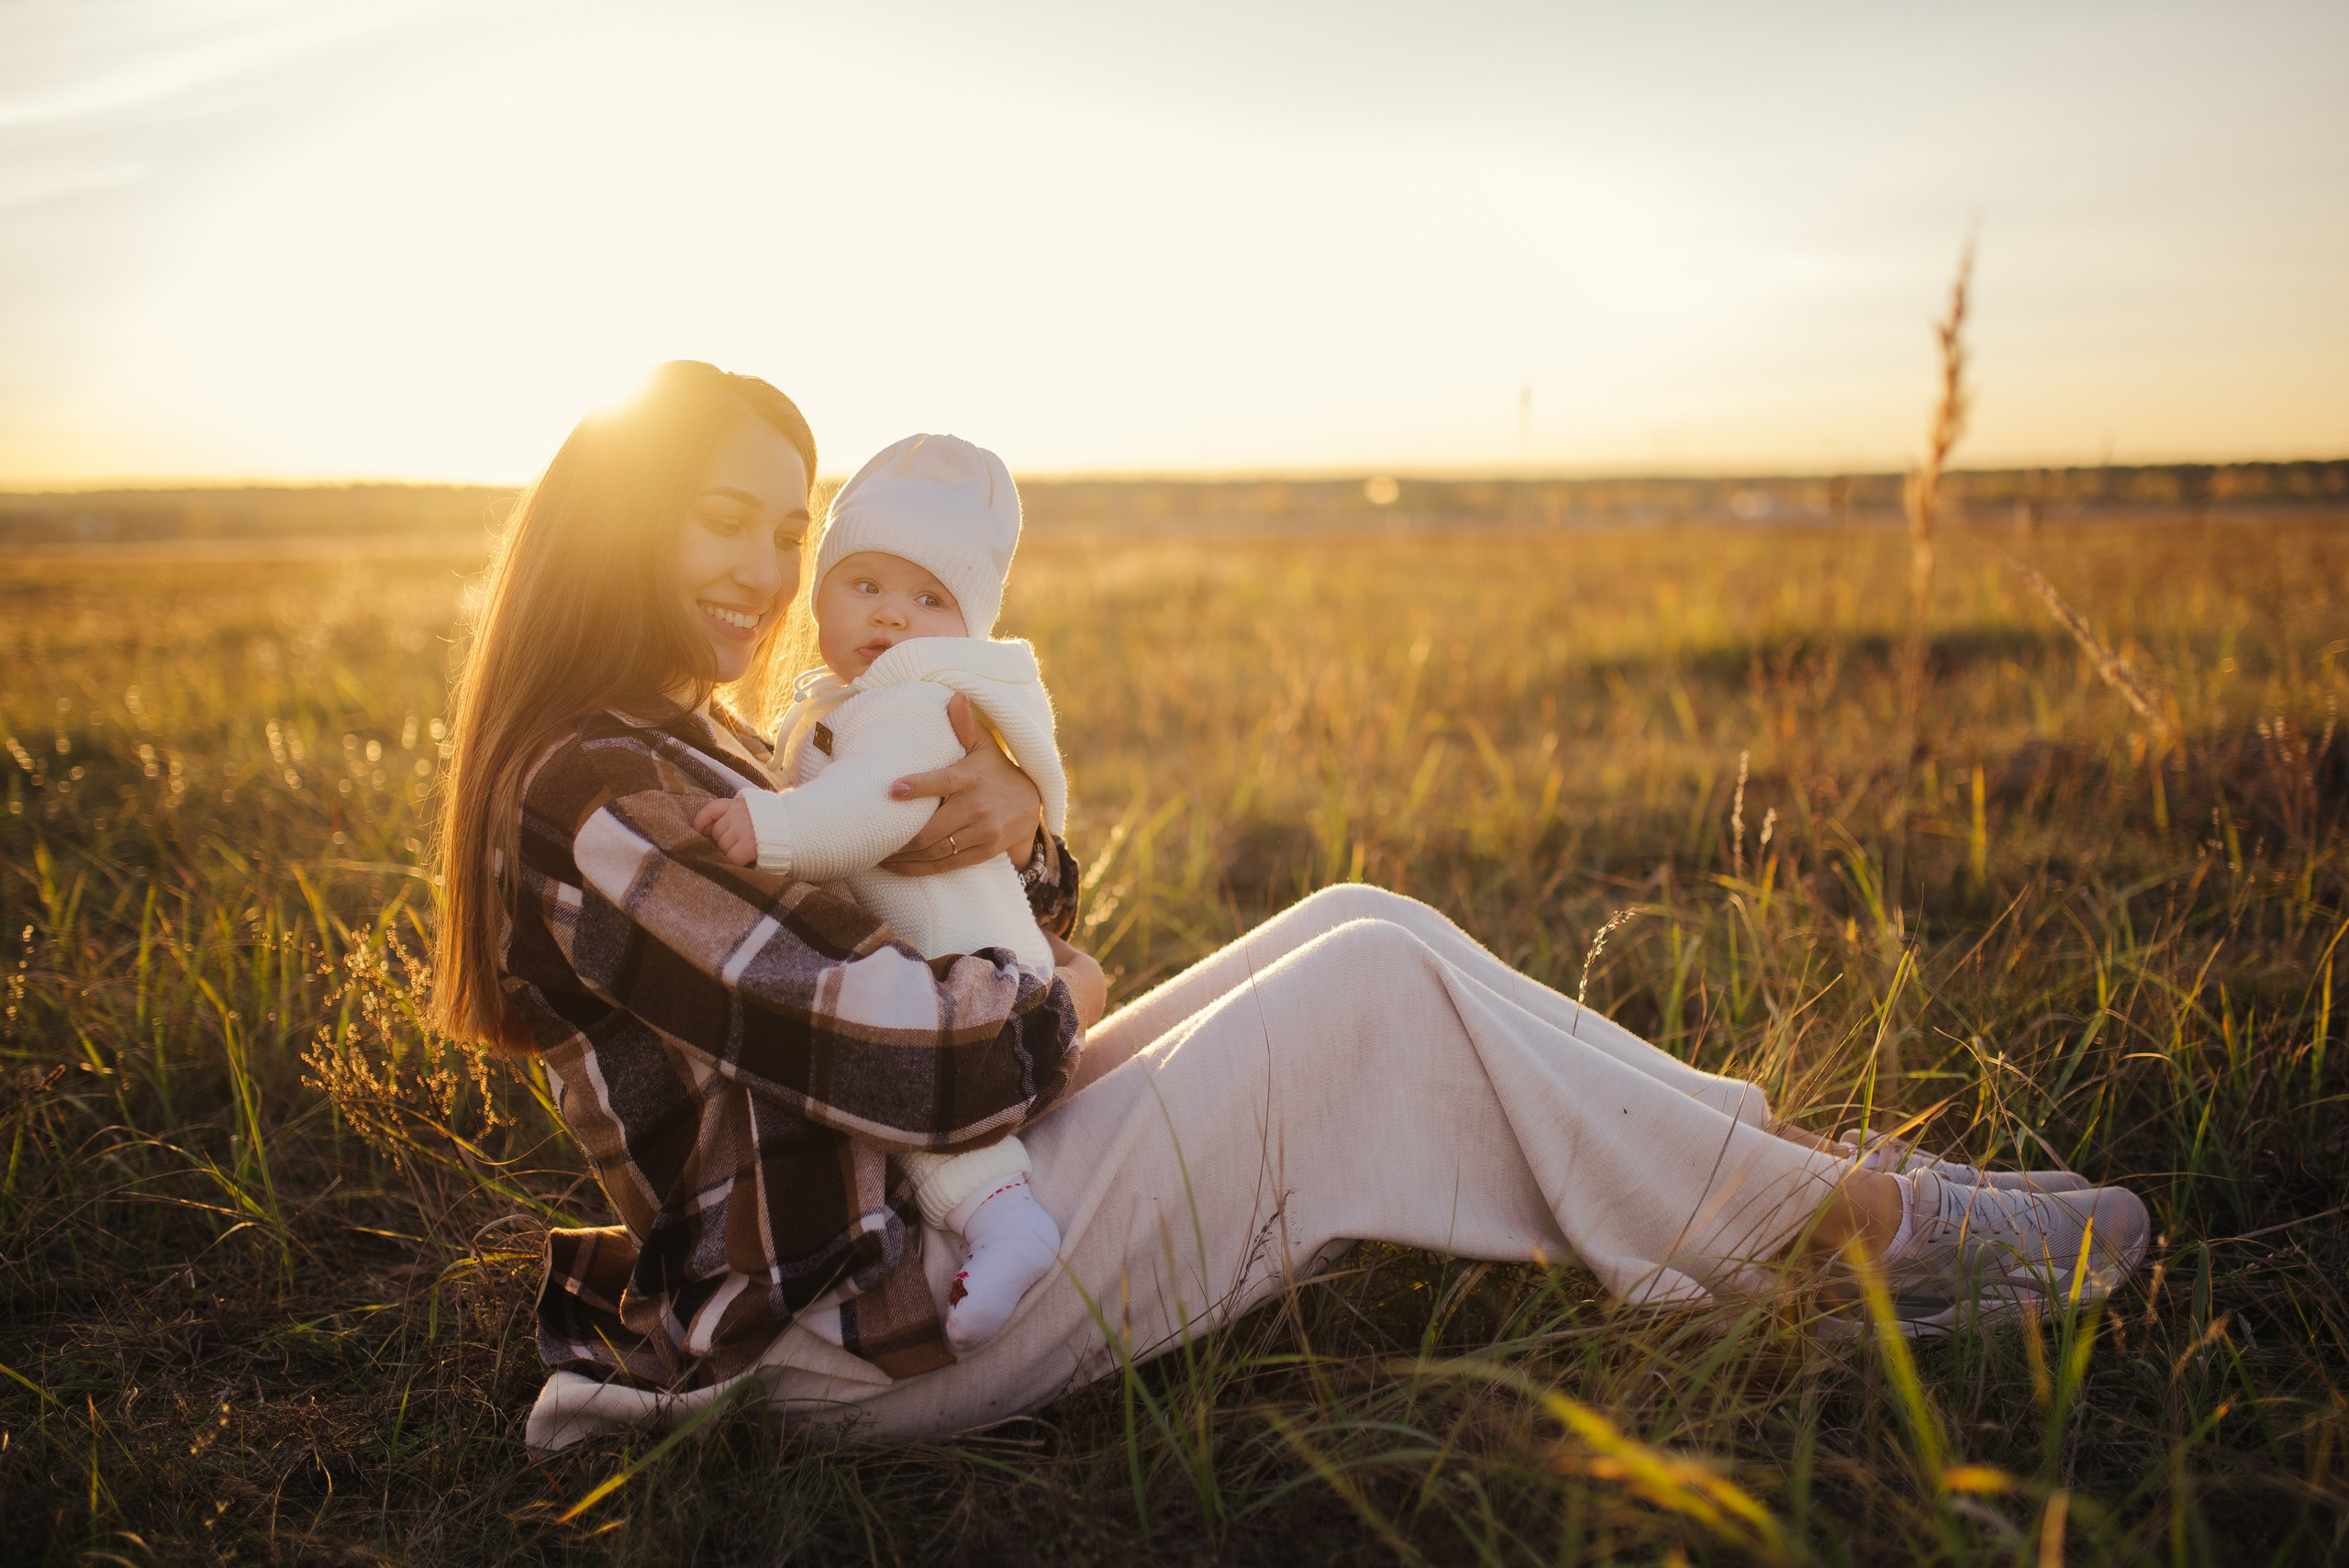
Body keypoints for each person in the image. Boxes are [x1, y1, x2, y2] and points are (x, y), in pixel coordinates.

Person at [424, 361, 2152, 1456]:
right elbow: (932, 1067)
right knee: (1365, 1007)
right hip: (854, 1324)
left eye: (783, 534)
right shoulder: (598, 791)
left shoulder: (696, 739)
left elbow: (947, 925)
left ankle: (1783, 1167)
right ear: (614, 522)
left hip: (928, 1221)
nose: (759, 570)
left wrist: (1018, 829)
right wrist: (1064, 982)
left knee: (1355, 916)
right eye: (717, 520)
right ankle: (1859, 1236)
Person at [694, 431, 1071, 1352]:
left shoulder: (908, 700)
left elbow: (874, 807)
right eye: (865, 585)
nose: (893, 616)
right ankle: (996, 1219)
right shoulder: (835, 700)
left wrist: (773, 829)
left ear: (969, 624)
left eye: (929, 597)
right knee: (930, 1125)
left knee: (960, 1143)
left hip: (975, 974)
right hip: (951, 972)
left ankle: (1012, 1225)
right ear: (820, 591)